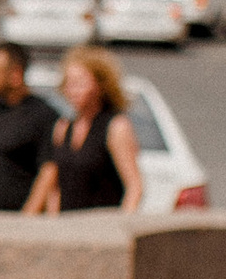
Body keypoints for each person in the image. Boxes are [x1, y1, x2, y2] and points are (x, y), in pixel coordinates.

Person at [25, 48, 145, 214]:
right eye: (69, 83)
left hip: (101, 222)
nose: (73, 91)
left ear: (100, 85)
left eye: (80, 83)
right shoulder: (63, 127)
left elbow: (134, 186)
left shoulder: (115, 126)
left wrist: (121, 222)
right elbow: (56, 187)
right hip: (67, 224)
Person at [0, 38, 57, 213]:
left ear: (16, 74)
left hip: (17, 219)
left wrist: (29, 215)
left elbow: (48, 169)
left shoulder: (42, 115)